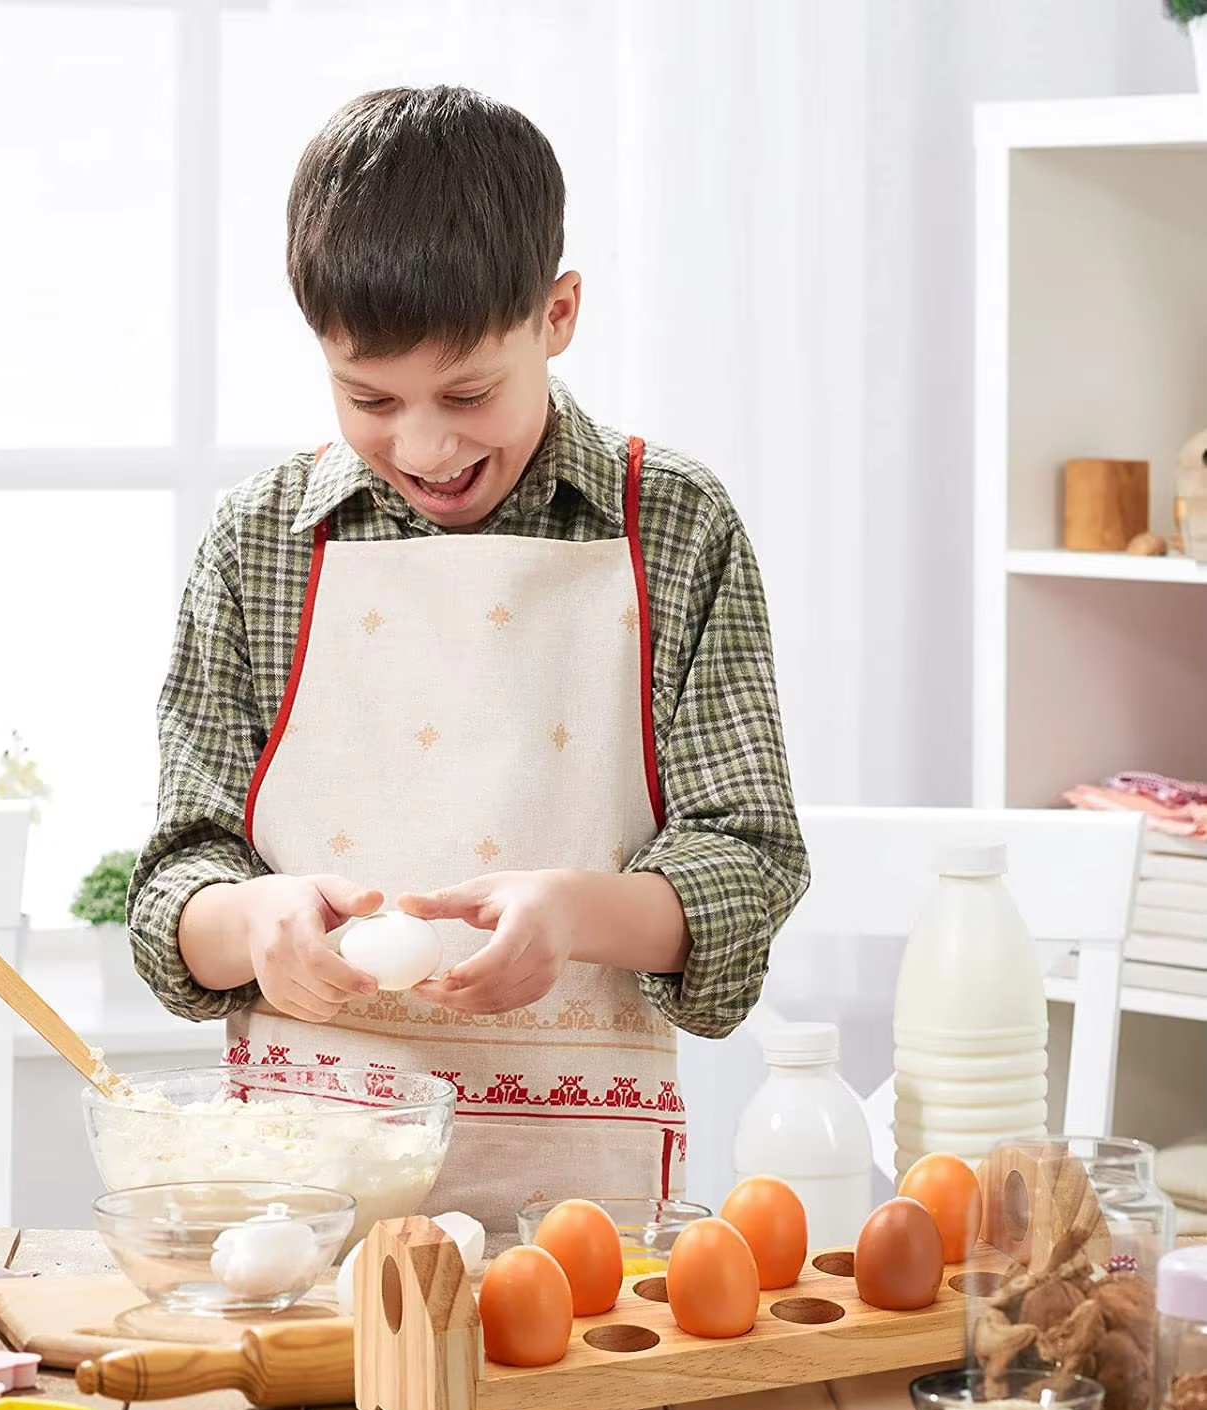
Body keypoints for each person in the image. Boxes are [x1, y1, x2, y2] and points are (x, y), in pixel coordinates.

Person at [127, 84, 808, 1233]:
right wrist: (254, 926)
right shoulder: (262, 543)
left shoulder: (675, 525)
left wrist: (580, 914)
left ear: (557, 313)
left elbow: (748, 861)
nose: (425, 447)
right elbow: (175, 880)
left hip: (585, 1220)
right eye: (369, 398)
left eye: (468, 393)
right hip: (303, 1205)